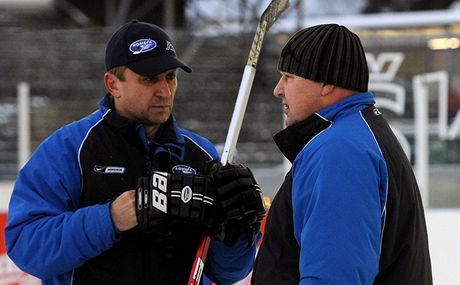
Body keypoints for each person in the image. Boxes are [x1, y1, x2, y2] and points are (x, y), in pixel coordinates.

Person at [5, 20, 264, 285]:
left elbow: (228, 272)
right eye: (149, 79)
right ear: (113, 84)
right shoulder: (69, 150)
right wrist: (110, 219)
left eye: (170, 77)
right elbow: (26, 246)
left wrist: (237, 233)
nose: (164, 90)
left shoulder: (201, 155)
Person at [251, 24, 432, 285]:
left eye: (289, 76)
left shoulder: (341, 150)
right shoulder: (360, 135)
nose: (278, 89)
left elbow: (335, 276)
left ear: (326, 83)